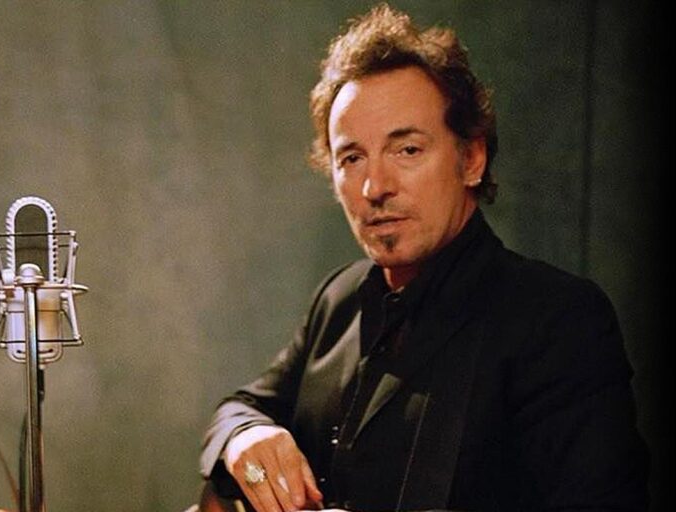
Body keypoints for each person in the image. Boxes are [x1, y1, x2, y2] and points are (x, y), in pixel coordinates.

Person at [198, 5, 648, 512]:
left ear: (472, 159)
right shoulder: (338, 299)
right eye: (352, 158)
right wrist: (247, 438)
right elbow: (242, 408)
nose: (374, 187)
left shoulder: (558, 319)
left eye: (407, 150)